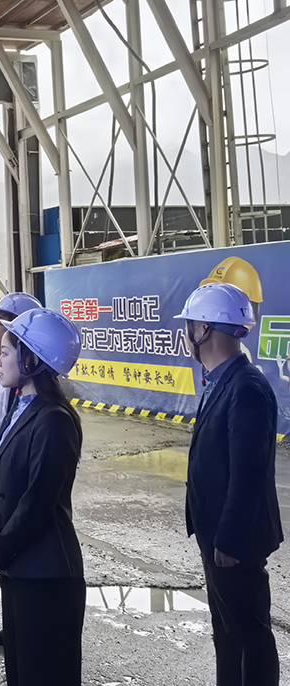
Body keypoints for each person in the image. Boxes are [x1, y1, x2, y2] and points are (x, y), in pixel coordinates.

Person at [174, 282, 282, 686]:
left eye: (189, 325)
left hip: (235, 541)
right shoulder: (221, 379)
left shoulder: (245, 387)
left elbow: (248, 474)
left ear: (204, 330)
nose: (186, 333)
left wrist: (230, 541)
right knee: (227, 632)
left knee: (250, 634)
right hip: (217, 535)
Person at [0, 307, 85, 686]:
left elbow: (37, 502)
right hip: (20, 568)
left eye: (6, 353)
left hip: (46, 574)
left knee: (44, 674)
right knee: (21, 672)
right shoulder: (22, 408)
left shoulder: (53, 420)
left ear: (32, 360)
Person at [0, 292, 42, 648]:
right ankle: (11, 622)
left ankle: (24, 625)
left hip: (19, 468)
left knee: (20, 542)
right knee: (1, 544)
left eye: (0, 322)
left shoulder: (36, 388)